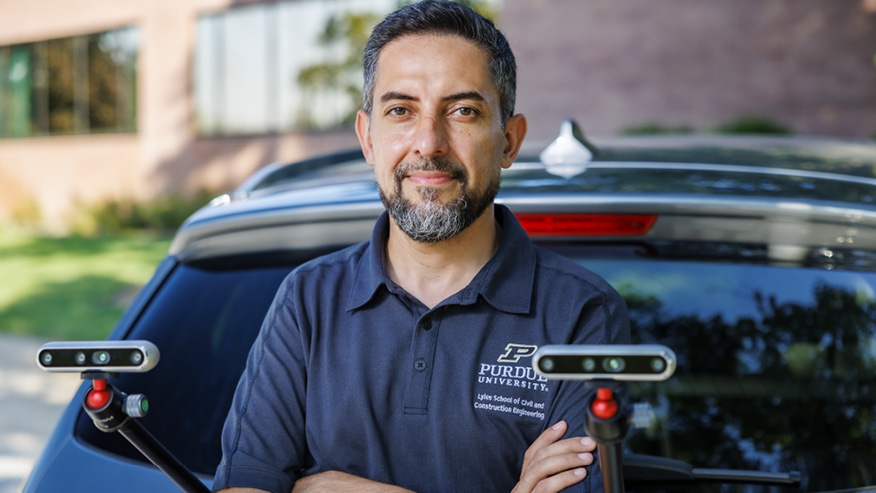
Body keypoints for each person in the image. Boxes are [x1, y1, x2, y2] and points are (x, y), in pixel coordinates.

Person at [213, 1, 629, 492]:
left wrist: (320, 488)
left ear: (510, 142)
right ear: (368, 138)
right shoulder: (307, 300)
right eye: (400, 111)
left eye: (463, 111)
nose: (428, 143)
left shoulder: (582, 313)